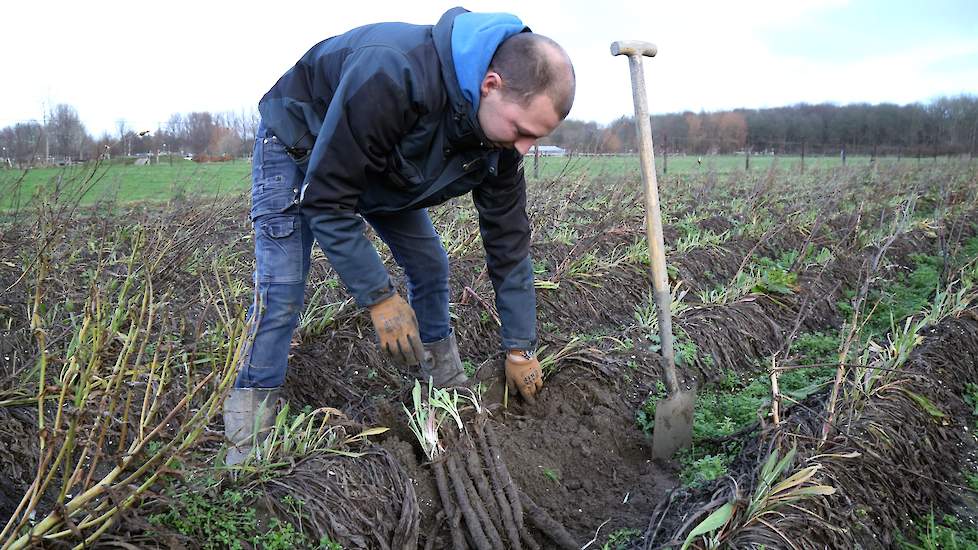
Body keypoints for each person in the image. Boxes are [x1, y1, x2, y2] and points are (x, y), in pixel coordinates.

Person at [224, 7, 575, 465]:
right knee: (283, 288)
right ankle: (245, 444)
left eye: (537, 136)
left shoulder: (499, 143)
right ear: (490, 85)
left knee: (431, 265)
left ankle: (444, 389)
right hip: (299, 143)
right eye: (523, 131)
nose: (526, 148)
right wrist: (379, 298)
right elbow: (329, 199)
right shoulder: (393, 71)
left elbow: (509, 246)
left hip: (380, 163)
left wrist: (520, 346)